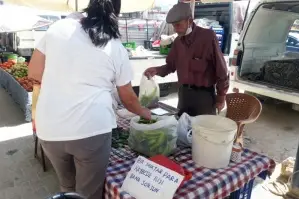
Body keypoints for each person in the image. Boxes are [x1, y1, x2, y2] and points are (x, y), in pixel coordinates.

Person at [28, 0, 151, 198]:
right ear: (115, 14)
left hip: (49, 128)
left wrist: (62, 81)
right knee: (88, 193)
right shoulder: (115, 45)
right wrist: (145, 112)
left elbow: (33, 71)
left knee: (67, 187)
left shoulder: (58, 27)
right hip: (91, 129)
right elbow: (127, 97)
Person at [144, 2, 229, 117]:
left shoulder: (207, 37)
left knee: (202, 132)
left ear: (189, 20)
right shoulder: (178, 42)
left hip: (204, 97)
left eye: (178, 25)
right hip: (184, 95)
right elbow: (170, 66)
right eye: (174, 26)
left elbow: (222, 71)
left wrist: (221, 97)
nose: (176, 29)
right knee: (182, 129)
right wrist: (157, 70)